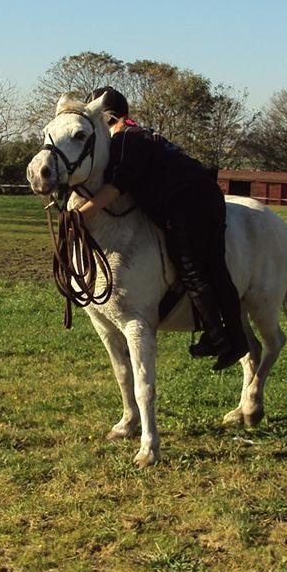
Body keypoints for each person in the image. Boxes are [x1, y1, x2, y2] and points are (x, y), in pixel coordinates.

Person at [79, 87, 248, 371]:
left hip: (189, 206)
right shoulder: (143, 134)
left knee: (192, 270)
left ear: (105, 117)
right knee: (215, 269)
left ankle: (219, 338)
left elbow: (117, 186)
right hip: (208, 198)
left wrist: (79, 215)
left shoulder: (124, 140)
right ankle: (235, 337)